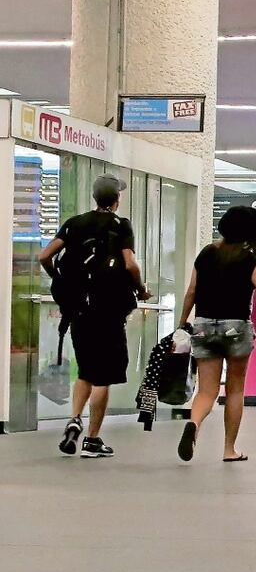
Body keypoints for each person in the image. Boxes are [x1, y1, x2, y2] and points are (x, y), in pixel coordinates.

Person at [175, 206, 256, 462]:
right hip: (236, 328)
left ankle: (193, 423)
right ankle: (229, 450)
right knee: (235, 390)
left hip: (203, 327)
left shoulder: (206, 254)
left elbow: (191, 291)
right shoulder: (249, 260)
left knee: (206, 392)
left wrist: (183, 323)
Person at [40, 174, 152, 458]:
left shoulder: (74, 223)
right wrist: (141, 290)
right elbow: (130, 264)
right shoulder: (121, 225)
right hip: (109, 310)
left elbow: (44, 256)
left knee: (86, 370)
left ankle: (74, 418)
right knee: (102, 377)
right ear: (116, 199)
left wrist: (59, 279)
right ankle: (92, 440)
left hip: (79, 309)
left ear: (94, 197)